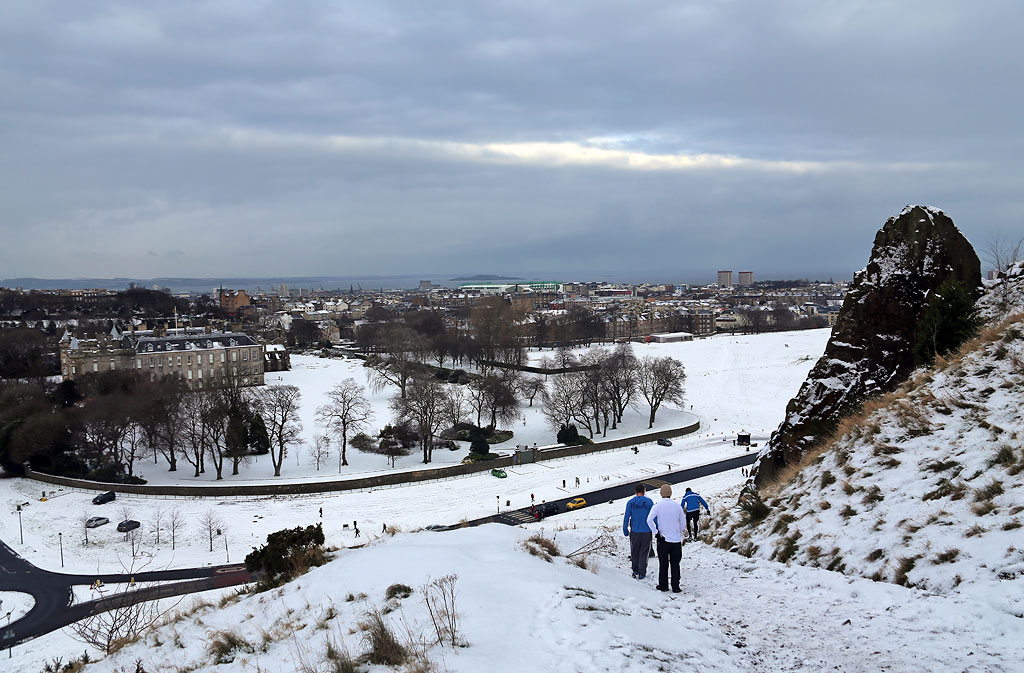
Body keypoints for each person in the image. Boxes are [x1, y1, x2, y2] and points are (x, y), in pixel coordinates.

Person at [646, 484, 684, 593]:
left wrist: (656, 532)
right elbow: (683, 522)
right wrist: (678, 531)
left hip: (663, 539)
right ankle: (675, 586)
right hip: (675, 540)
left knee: (663, 563)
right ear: (670, 493)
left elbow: (649, 520)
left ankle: (663, 585)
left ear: (661, 494)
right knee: (675, 564)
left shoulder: (657, 506)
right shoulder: (677, 506)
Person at [622, 484, 654, 580]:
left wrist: (625, 528)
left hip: (635, 531)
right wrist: (656, 528)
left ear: (635, 492)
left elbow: (626, 517)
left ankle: (635, 570)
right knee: (644, 552)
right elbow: (653, 516)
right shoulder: (649, 502)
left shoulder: (630, 503)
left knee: (634, 551)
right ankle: (642, 572)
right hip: (646, 531)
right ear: (644, 491)